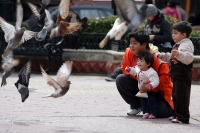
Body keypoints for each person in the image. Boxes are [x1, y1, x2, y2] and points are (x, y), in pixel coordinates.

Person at [116, 30, 174, 118]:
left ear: (143, 45)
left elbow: (165, 81)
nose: (131, 46)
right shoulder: (128, 52)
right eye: (130, 43)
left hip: (157, 91)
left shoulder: (158, 58)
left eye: (134, 43)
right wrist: (137, 77)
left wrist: (149, 86)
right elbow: (124, 68)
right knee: (121, 79)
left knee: (161, 112)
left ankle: (174, 108)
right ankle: (138, 106)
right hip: (139, 84)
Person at [157, 21, 194, 124]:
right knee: (176, 95)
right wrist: (163, 55)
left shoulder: (186, 44)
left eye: (175, 33)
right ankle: (177, 114)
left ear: (184, 34)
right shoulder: (178, 44)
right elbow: (172, 57)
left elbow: (188, 59)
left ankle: (183, 117)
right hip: (177, 75)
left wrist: (178, 54)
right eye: (173, 33)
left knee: (182, 96)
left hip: (183, 75)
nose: (173, 35)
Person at [125, 51, 159, 119]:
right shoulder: (138, 69)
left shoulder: (151, 72)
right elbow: (134, 72)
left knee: (151, 102)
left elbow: (156, 81)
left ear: (148, 63)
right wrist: (129, 70)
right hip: (142, 90)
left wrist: (150, 86)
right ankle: (146, 112)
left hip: (150, 91)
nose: (138, 63)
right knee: (143, 102)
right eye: (138, 61)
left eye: (141, 61)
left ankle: (153, 113)